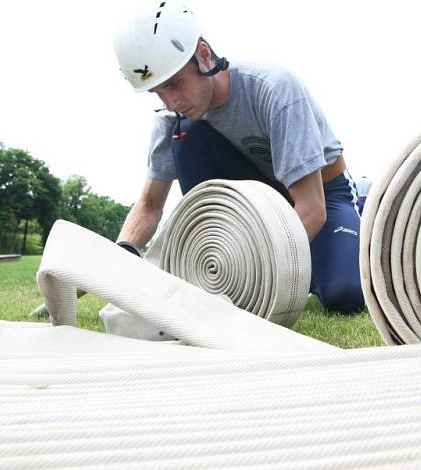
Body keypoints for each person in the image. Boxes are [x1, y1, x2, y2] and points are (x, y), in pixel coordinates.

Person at [112, 2, 365, 314]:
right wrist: (119, 260)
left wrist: (245, 272)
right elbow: (150, 204)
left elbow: (312, 210)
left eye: (174, 84)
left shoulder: (274, 88)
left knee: (344, 295)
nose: (171, 102)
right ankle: (239, 253)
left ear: (203, 56)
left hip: (323, 194)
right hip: (261, 204)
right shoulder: (171, 116)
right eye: (158, 93)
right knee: (186, 135)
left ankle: (357, 224)